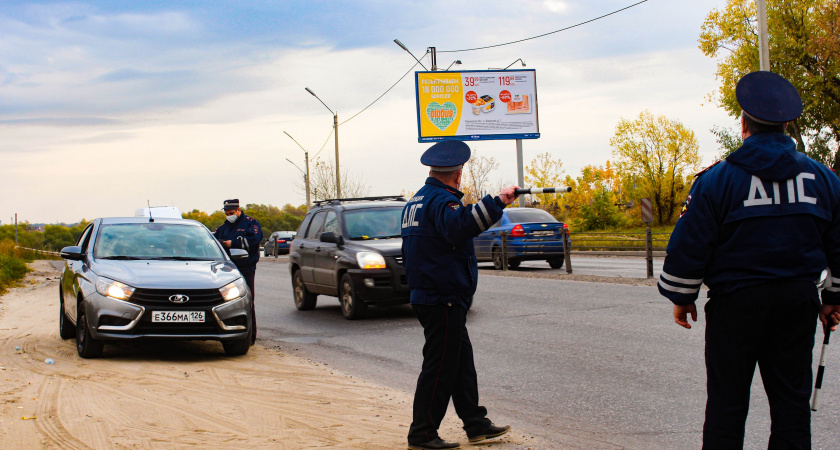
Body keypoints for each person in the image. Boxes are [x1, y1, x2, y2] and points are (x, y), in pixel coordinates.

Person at [658, 71, 840, 448]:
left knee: (726, 406)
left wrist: (683, 296)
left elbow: (691, 244)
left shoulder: (716, 181)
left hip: (735, 306)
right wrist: (833, 298)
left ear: (743, 125)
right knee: (792, 406)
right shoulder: (823, 179)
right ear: (786, 125)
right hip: (796, 304)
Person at [401, 140, 518, 450]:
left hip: (432, 293)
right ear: (457, 174)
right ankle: (422, 434)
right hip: (442, 296)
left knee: (460, 362)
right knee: (440, 367)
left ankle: (476, 424)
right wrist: (497, 202)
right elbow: (460, 227)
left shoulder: (417, 201)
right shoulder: (442, 201)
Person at [214, 199, 263, 344]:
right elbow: (215, 242)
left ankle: (250, 337)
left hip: (246, 266)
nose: (229, 216)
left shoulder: (250, 223)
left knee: (247, 301)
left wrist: (232, 243)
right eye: (227, 213)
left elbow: (254, 240)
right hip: (227, 269)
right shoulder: (224, 227)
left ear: (238, 210)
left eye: (231, 213)